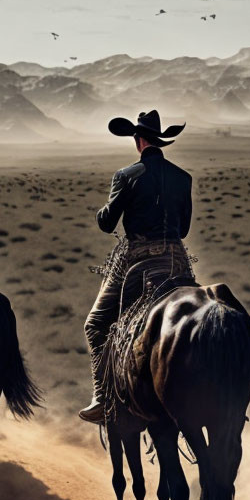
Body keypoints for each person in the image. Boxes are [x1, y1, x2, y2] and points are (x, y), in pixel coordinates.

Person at [80, 110, 192, 423]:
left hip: (137, 259)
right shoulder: (183, 177)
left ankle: (103, 397)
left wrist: (103, 210)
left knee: (96, 324)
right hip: (176, 259)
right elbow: (183, 230)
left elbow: (107, 223)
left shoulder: (126, 176)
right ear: (158, 141)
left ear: (137, 139)